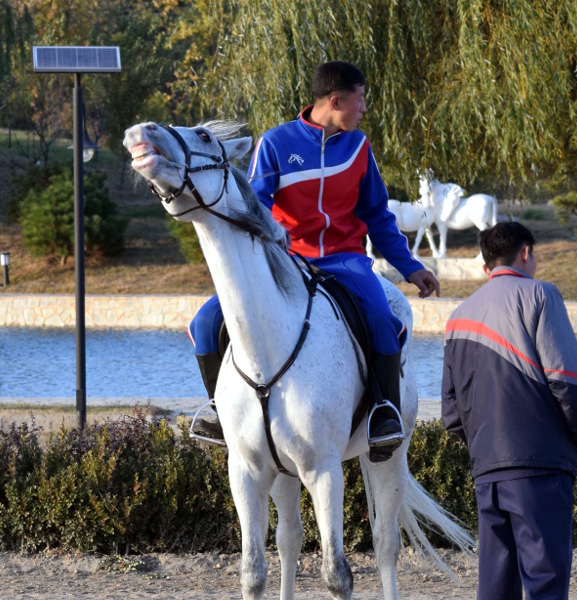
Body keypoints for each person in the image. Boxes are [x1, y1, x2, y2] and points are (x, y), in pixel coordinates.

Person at [186, 60, 440, 461]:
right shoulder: (275, 144)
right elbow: (256, 210)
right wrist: (272, 247)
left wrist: (411, 267)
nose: (364, 108)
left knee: (384, 324)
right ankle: (220, 412)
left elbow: (378, 217)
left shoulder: (359, 148)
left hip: (345, 261)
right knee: (204, 323)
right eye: (360, 100)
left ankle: (384, 413)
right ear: (336, 100)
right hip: (284, 262)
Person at [442, 222, 577, 600]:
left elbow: (451, 414)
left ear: (486, 266)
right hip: (540, 467)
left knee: (495, 588)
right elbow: (567, 381)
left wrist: (485, 448)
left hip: (487, 474)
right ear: (525, 252)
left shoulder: (457, 317)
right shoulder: (541, 295)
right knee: (545, 582)